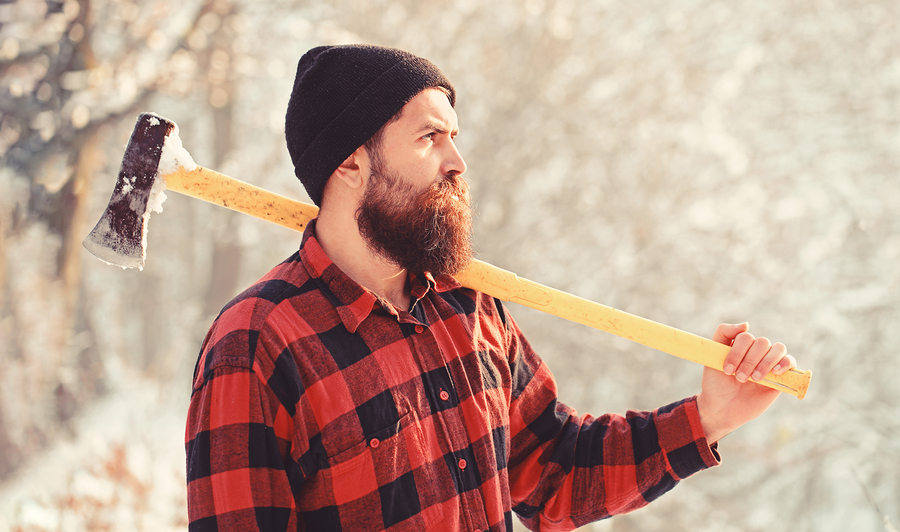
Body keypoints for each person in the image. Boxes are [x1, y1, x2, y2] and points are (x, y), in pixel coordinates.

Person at [185, 44, 797, 532]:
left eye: (455, 135)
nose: (458, 161)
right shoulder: (258, 347)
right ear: (351, 162)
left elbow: (555, 469)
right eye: (430, 137)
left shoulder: (466, 303)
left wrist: (707, 419)